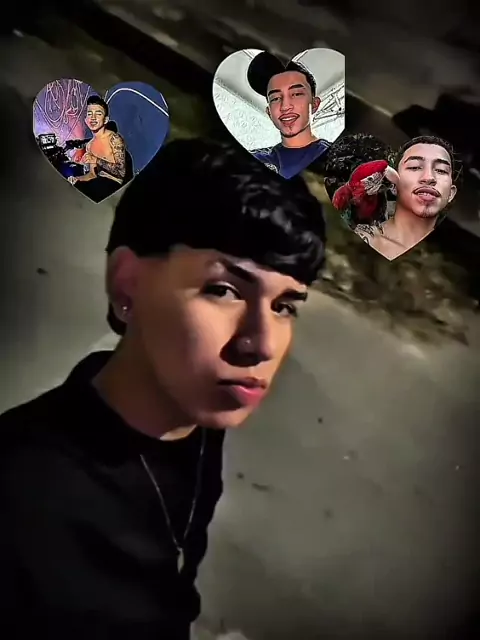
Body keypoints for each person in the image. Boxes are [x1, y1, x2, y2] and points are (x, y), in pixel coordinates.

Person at [0, 138, 326, 638]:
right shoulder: (20, 500)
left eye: (284, 306)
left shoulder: (195, 417)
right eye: (224, 290)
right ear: (127, 284)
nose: (261, 343)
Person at [356, 136, 459, 260]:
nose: (429, 178)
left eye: (441, 170)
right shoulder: (358, 241)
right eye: (414, 167)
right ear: (394, 184)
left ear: (451, 193)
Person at [247, 52, 331, 179]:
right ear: (269, 112)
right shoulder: (256, 158)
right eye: (275, 98)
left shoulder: (336, 156)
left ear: (314, 104)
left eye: (296, 94)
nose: (285, 107)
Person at [68, 95, 128, 202]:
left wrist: (96, 160)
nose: (93, 118)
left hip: (113, 186)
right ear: (86, 120)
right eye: (90, 114)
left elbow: (121, 172)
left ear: (105, 120)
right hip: (97, 184)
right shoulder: (90, 145)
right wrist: (76, 179)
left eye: (98, 114)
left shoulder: (114, 139)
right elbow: (92, 175)